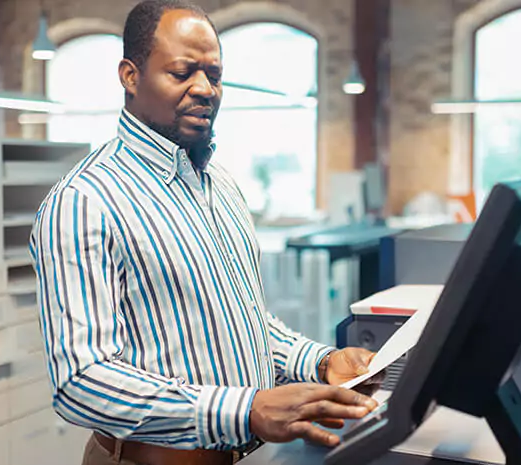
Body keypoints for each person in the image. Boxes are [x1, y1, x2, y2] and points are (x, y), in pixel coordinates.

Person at [28, 1, 384, 464]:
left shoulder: (222, 188)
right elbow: (81, 381)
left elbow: (242, 325)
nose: (204, 89)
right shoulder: (84, 202)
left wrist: (318, 361)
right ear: (130, 76)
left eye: (214, 75)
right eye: (181, 73)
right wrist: (245, 410)